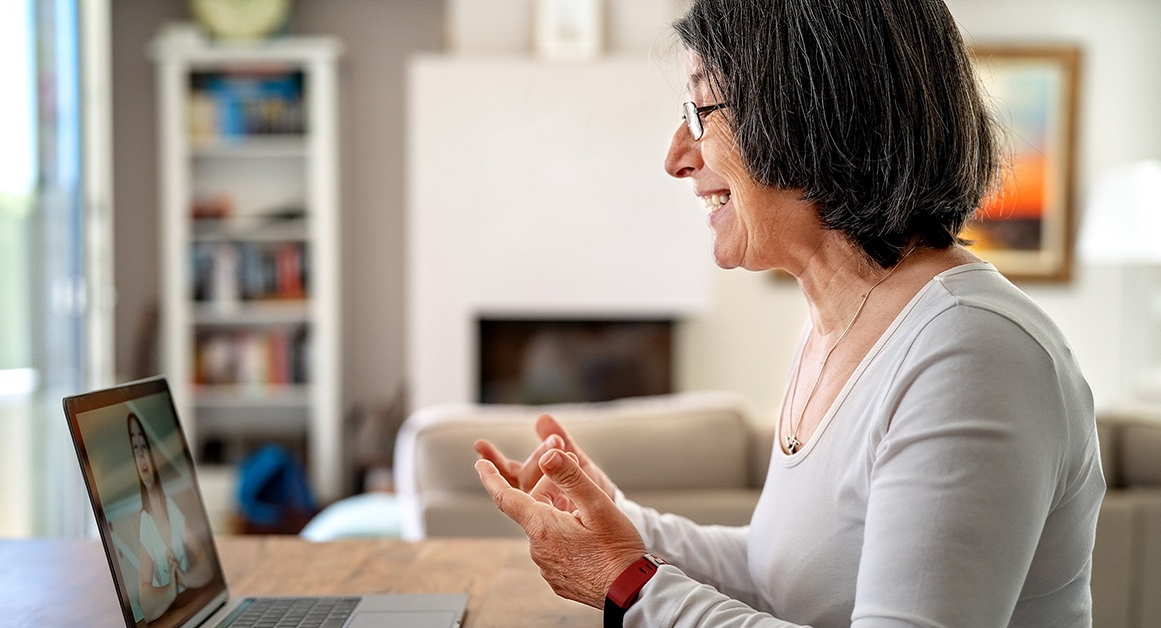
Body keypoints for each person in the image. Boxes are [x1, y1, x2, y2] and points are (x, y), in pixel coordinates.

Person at [473, 0, 1105, 626]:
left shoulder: (970, 352)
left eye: (700, 111)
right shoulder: (838, 324)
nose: (675, 157)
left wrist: (630, 587)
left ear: (811, 113)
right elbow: (779, 576)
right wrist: (614, 522)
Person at [127, 412, 214, 621]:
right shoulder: (145, 522)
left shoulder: (171, 507)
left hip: (193, 605)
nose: (141, 456)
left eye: (144, 447)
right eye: (135, 448)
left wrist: (184, 577)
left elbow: (205, 565)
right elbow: (146, 602)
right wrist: (171, 589)